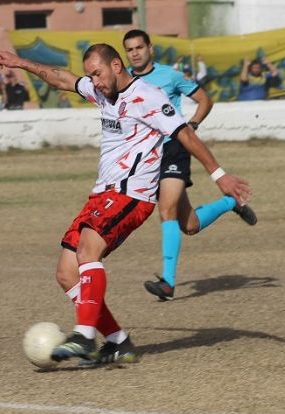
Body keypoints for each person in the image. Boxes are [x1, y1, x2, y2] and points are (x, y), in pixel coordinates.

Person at [0, 45, 251, 365]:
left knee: (88, 251)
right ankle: (118, 342)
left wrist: (219, 174)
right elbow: (61, 79)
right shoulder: (102, 92)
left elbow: (185, 135)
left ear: (116, 66)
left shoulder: (150, 97)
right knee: (67, 273)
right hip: (102, 194)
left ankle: (85, 336)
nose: (94, 81)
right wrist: (21, 63)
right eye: (90, 76)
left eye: (98, 74)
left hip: (132, 195)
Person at [122, 29, 257, 302]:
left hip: (174, 148)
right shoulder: (123, 79)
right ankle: (231, 204)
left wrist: (191, 126)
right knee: (190, 225)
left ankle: (168, 284)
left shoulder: (170, 76)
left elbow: (205, 99)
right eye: (130, 49)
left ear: (150, 48)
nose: (135, 53)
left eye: (139, 47)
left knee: (166, 211)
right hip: (146, 155)